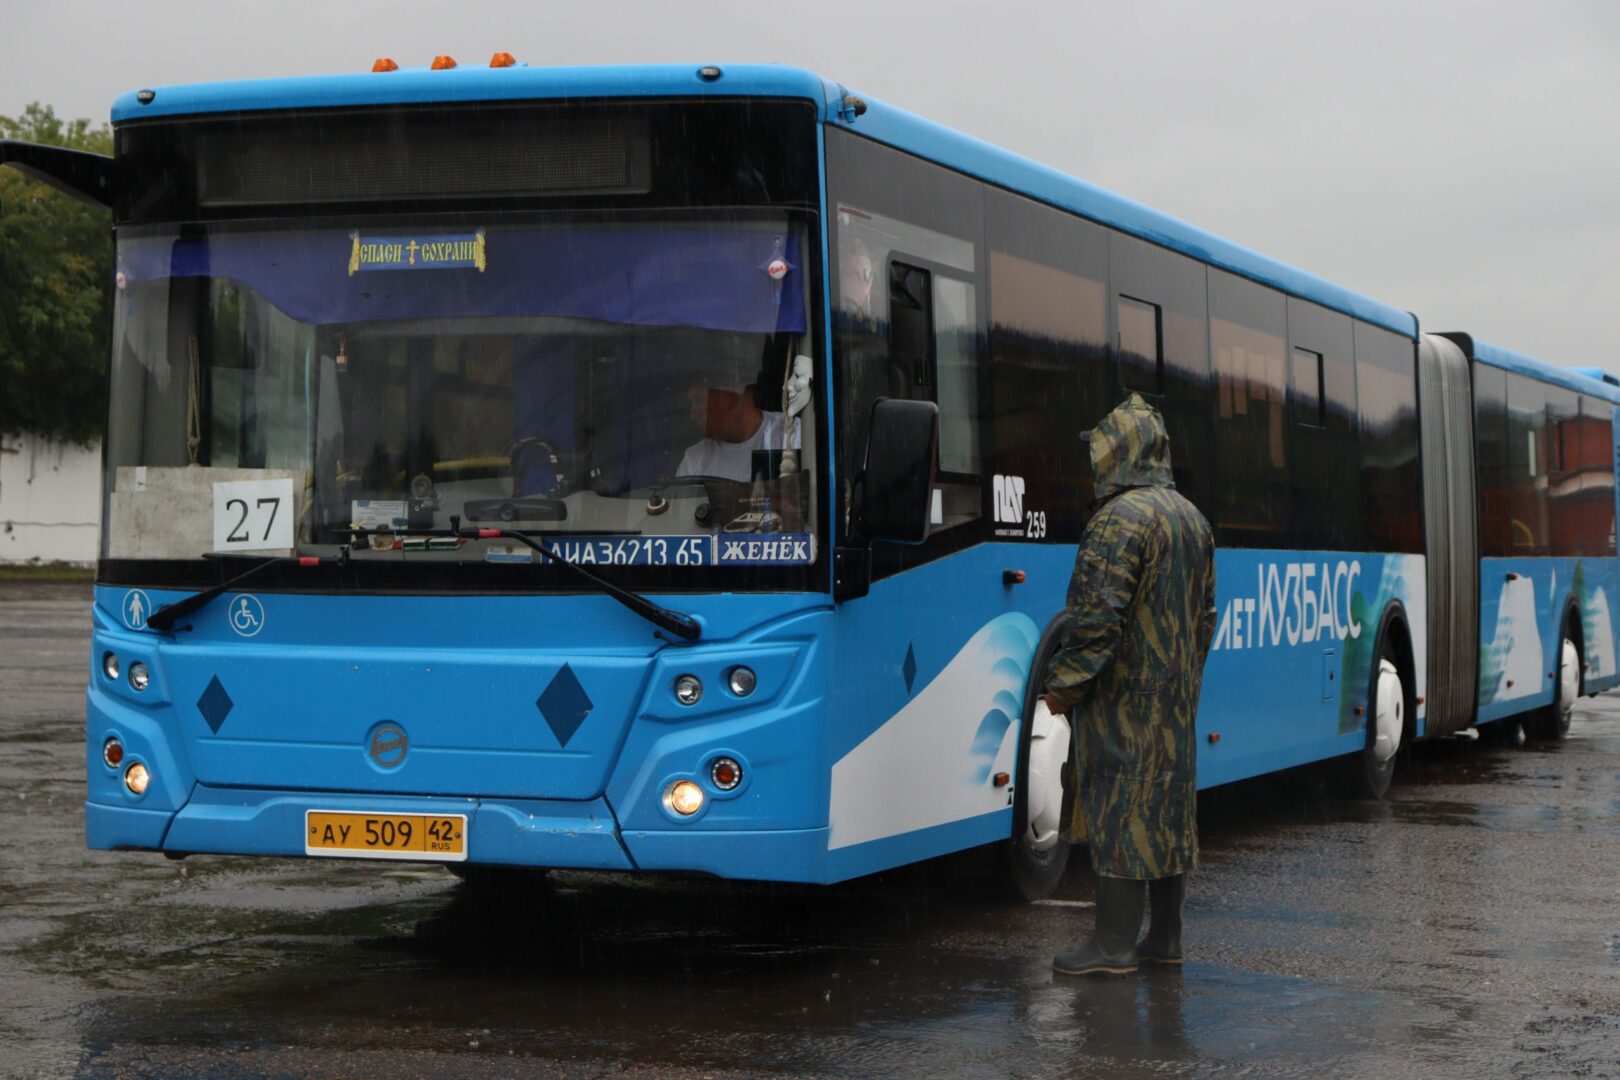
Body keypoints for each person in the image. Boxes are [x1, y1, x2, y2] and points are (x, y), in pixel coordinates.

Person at [1042, 393, 1216, 977]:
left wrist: (1062, 687)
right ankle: (1165, 938)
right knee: (1167, 811)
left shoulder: (1116, 521)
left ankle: (1112, 945)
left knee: (1123, 813)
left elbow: (1096, 620)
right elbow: (1206, 617)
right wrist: (1184, 677)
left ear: (1117, 452)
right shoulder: (1191, 518)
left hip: (1123, 703)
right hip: (1174, 700)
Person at [677, 376, 799, 482]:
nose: (693, 413)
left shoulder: (793, 435)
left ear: (733, 399)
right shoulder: (694, 460)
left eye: (699, 400)